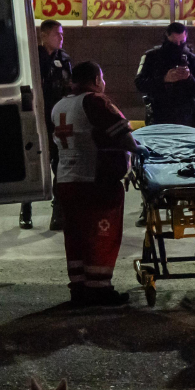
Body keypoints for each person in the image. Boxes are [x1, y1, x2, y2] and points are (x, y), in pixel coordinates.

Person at [51, 61, 142, 306]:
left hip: (66, 180)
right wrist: (140, 151)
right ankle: (100, 289)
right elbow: (124, 135)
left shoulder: (60, 105)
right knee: (102, 234)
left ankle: (79, 288)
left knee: (76, 235)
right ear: (96, 79)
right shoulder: (95, 101)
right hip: (95, 181)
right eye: (102, 78)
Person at [20, 19, 73, 231]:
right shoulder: (32, 58)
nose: (61, 38)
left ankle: (58, 211)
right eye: (56, 34)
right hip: (37, 116)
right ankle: (26, 209)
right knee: (33, 162)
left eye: (62, 34)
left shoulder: (64, 58)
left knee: (59, 164)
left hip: (57, 118)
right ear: (43, 36)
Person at [134, 21, 195, 127]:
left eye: (181, 42)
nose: (178, 46)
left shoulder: (192, 59)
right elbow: (139, 83)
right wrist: (164, 79)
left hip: (184, 117)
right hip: (158, 115)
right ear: (167, 38)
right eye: (174, 42)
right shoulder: (151, 57)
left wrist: (189, 78)